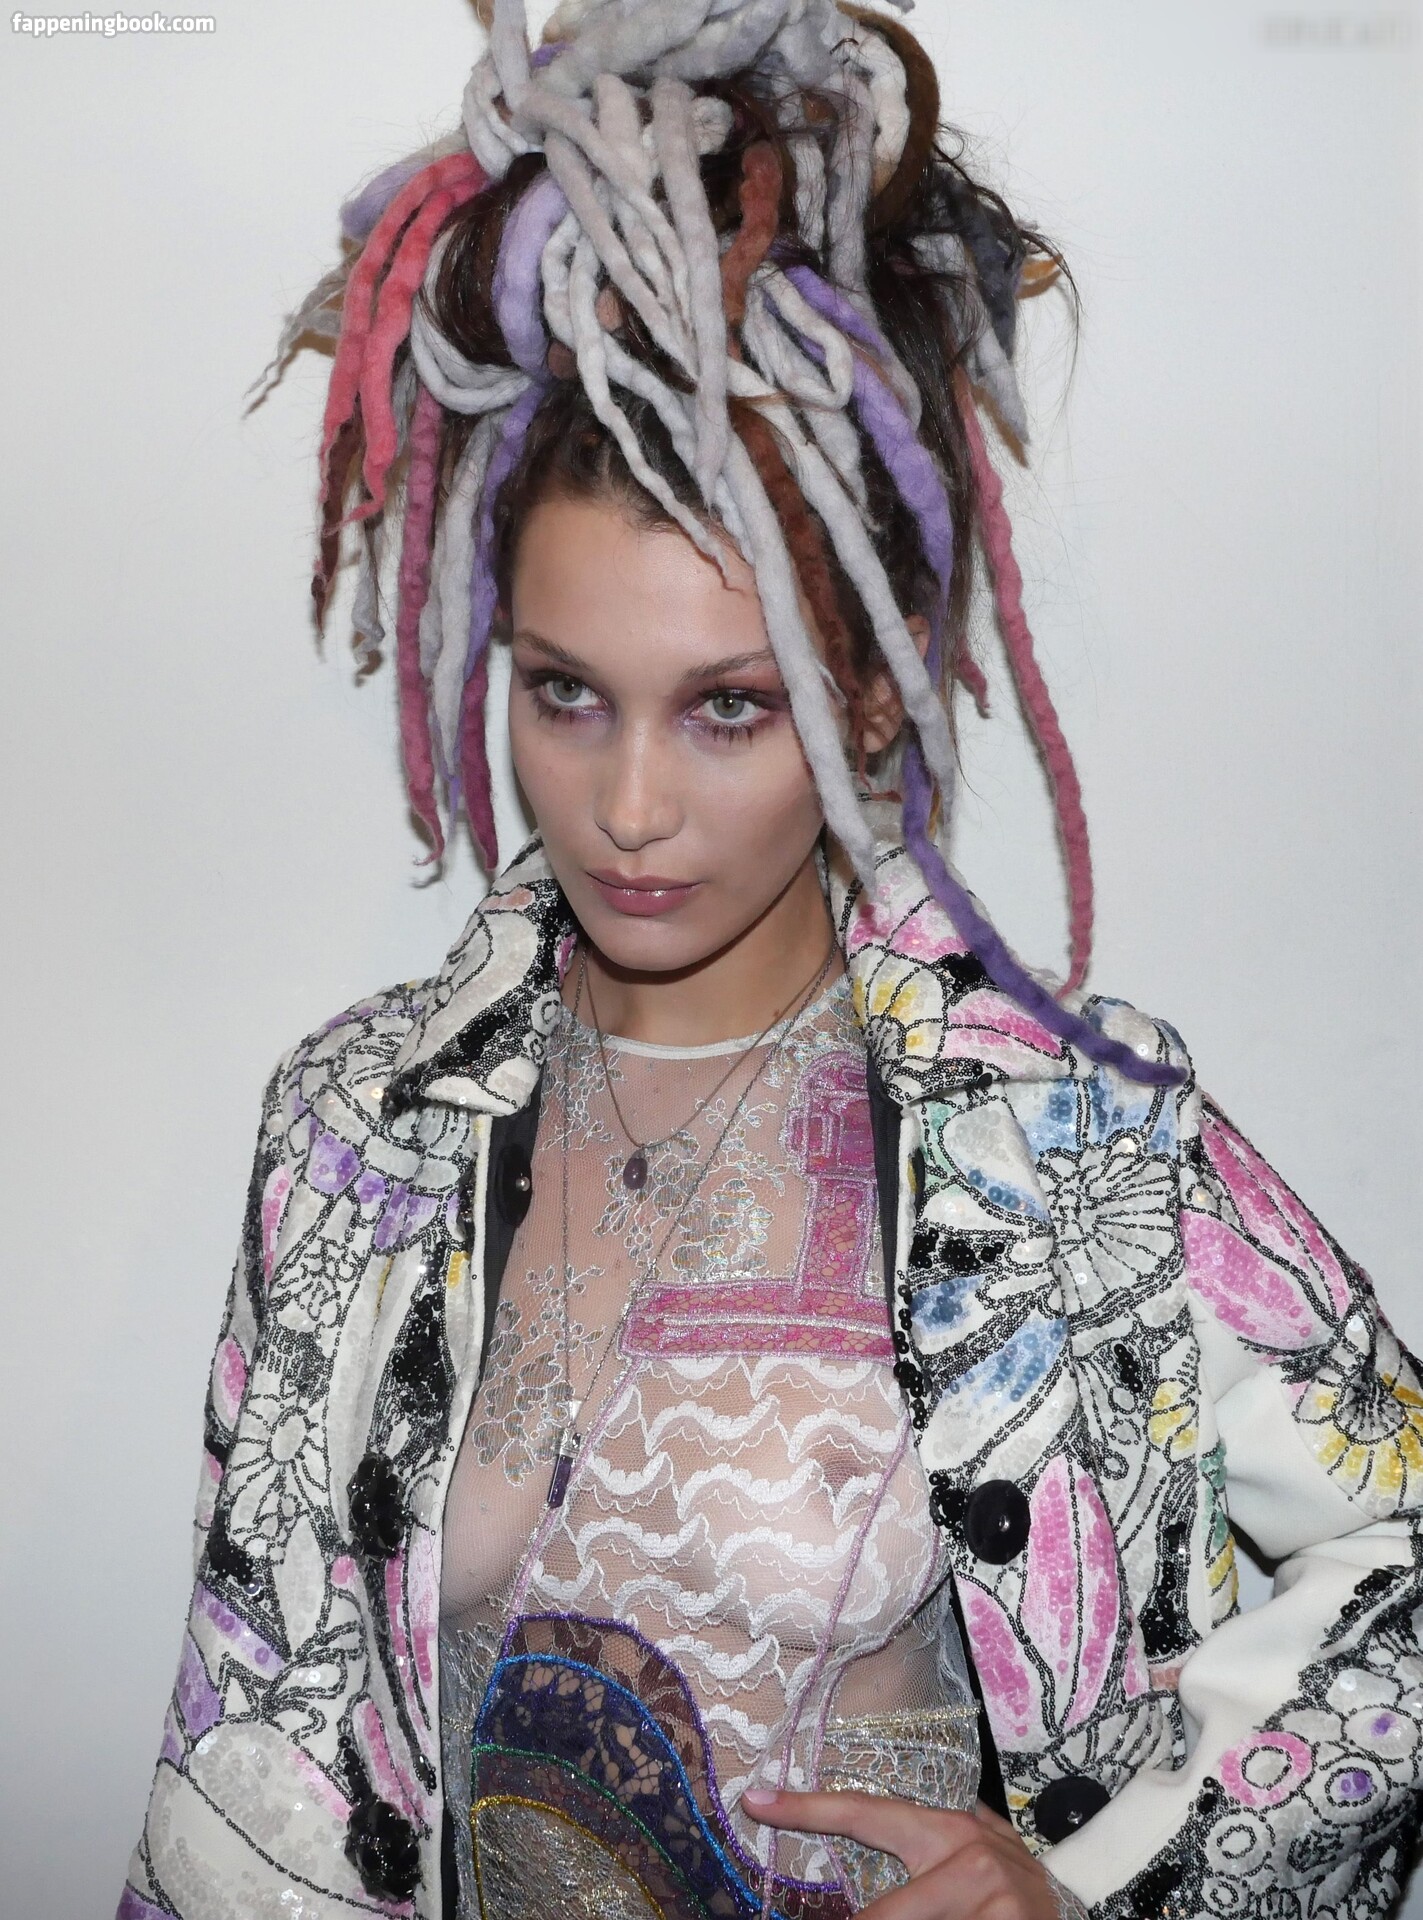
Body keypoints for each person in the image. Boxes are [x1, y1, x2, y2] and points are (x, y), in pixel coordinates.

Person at [120, 2, 1423, 1916]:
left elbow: (1403, 1550)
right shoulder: (357, 1133)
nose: (628, 806)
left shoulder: (1060, 1133)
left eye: (729, 707)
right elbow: (249, 1742)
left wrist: (1096, 1886)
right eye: (567, 694)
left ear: (870, 702)